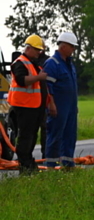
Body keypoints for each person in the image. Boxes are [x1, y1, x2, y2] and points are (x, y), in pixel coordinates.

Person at [8, 35, 55, 173]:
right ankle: (25, 165)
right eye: (37, 50)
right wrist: (39, 77)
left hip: (34, 106)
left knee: (32, 136)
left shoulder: (33, 63)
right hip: (24, 106)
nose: (39, 53)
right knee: (25, 137)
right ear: (28, 48)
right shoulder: (20, 63)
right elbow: (22, 80)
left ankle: (29, 163)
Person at [42, 32, 79, 169]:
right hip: (58, 106)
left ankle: (67, 163)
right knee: (55, 134)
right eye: (72, 47)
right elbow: (47, 87)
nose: (73, 50)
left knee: (70, 135)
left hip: (70, 107)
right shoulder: (52, 63)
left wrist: (74, 106)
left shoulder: (69, 64)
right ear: (63, 46)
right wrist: (51, 104)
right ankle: (51, 165)